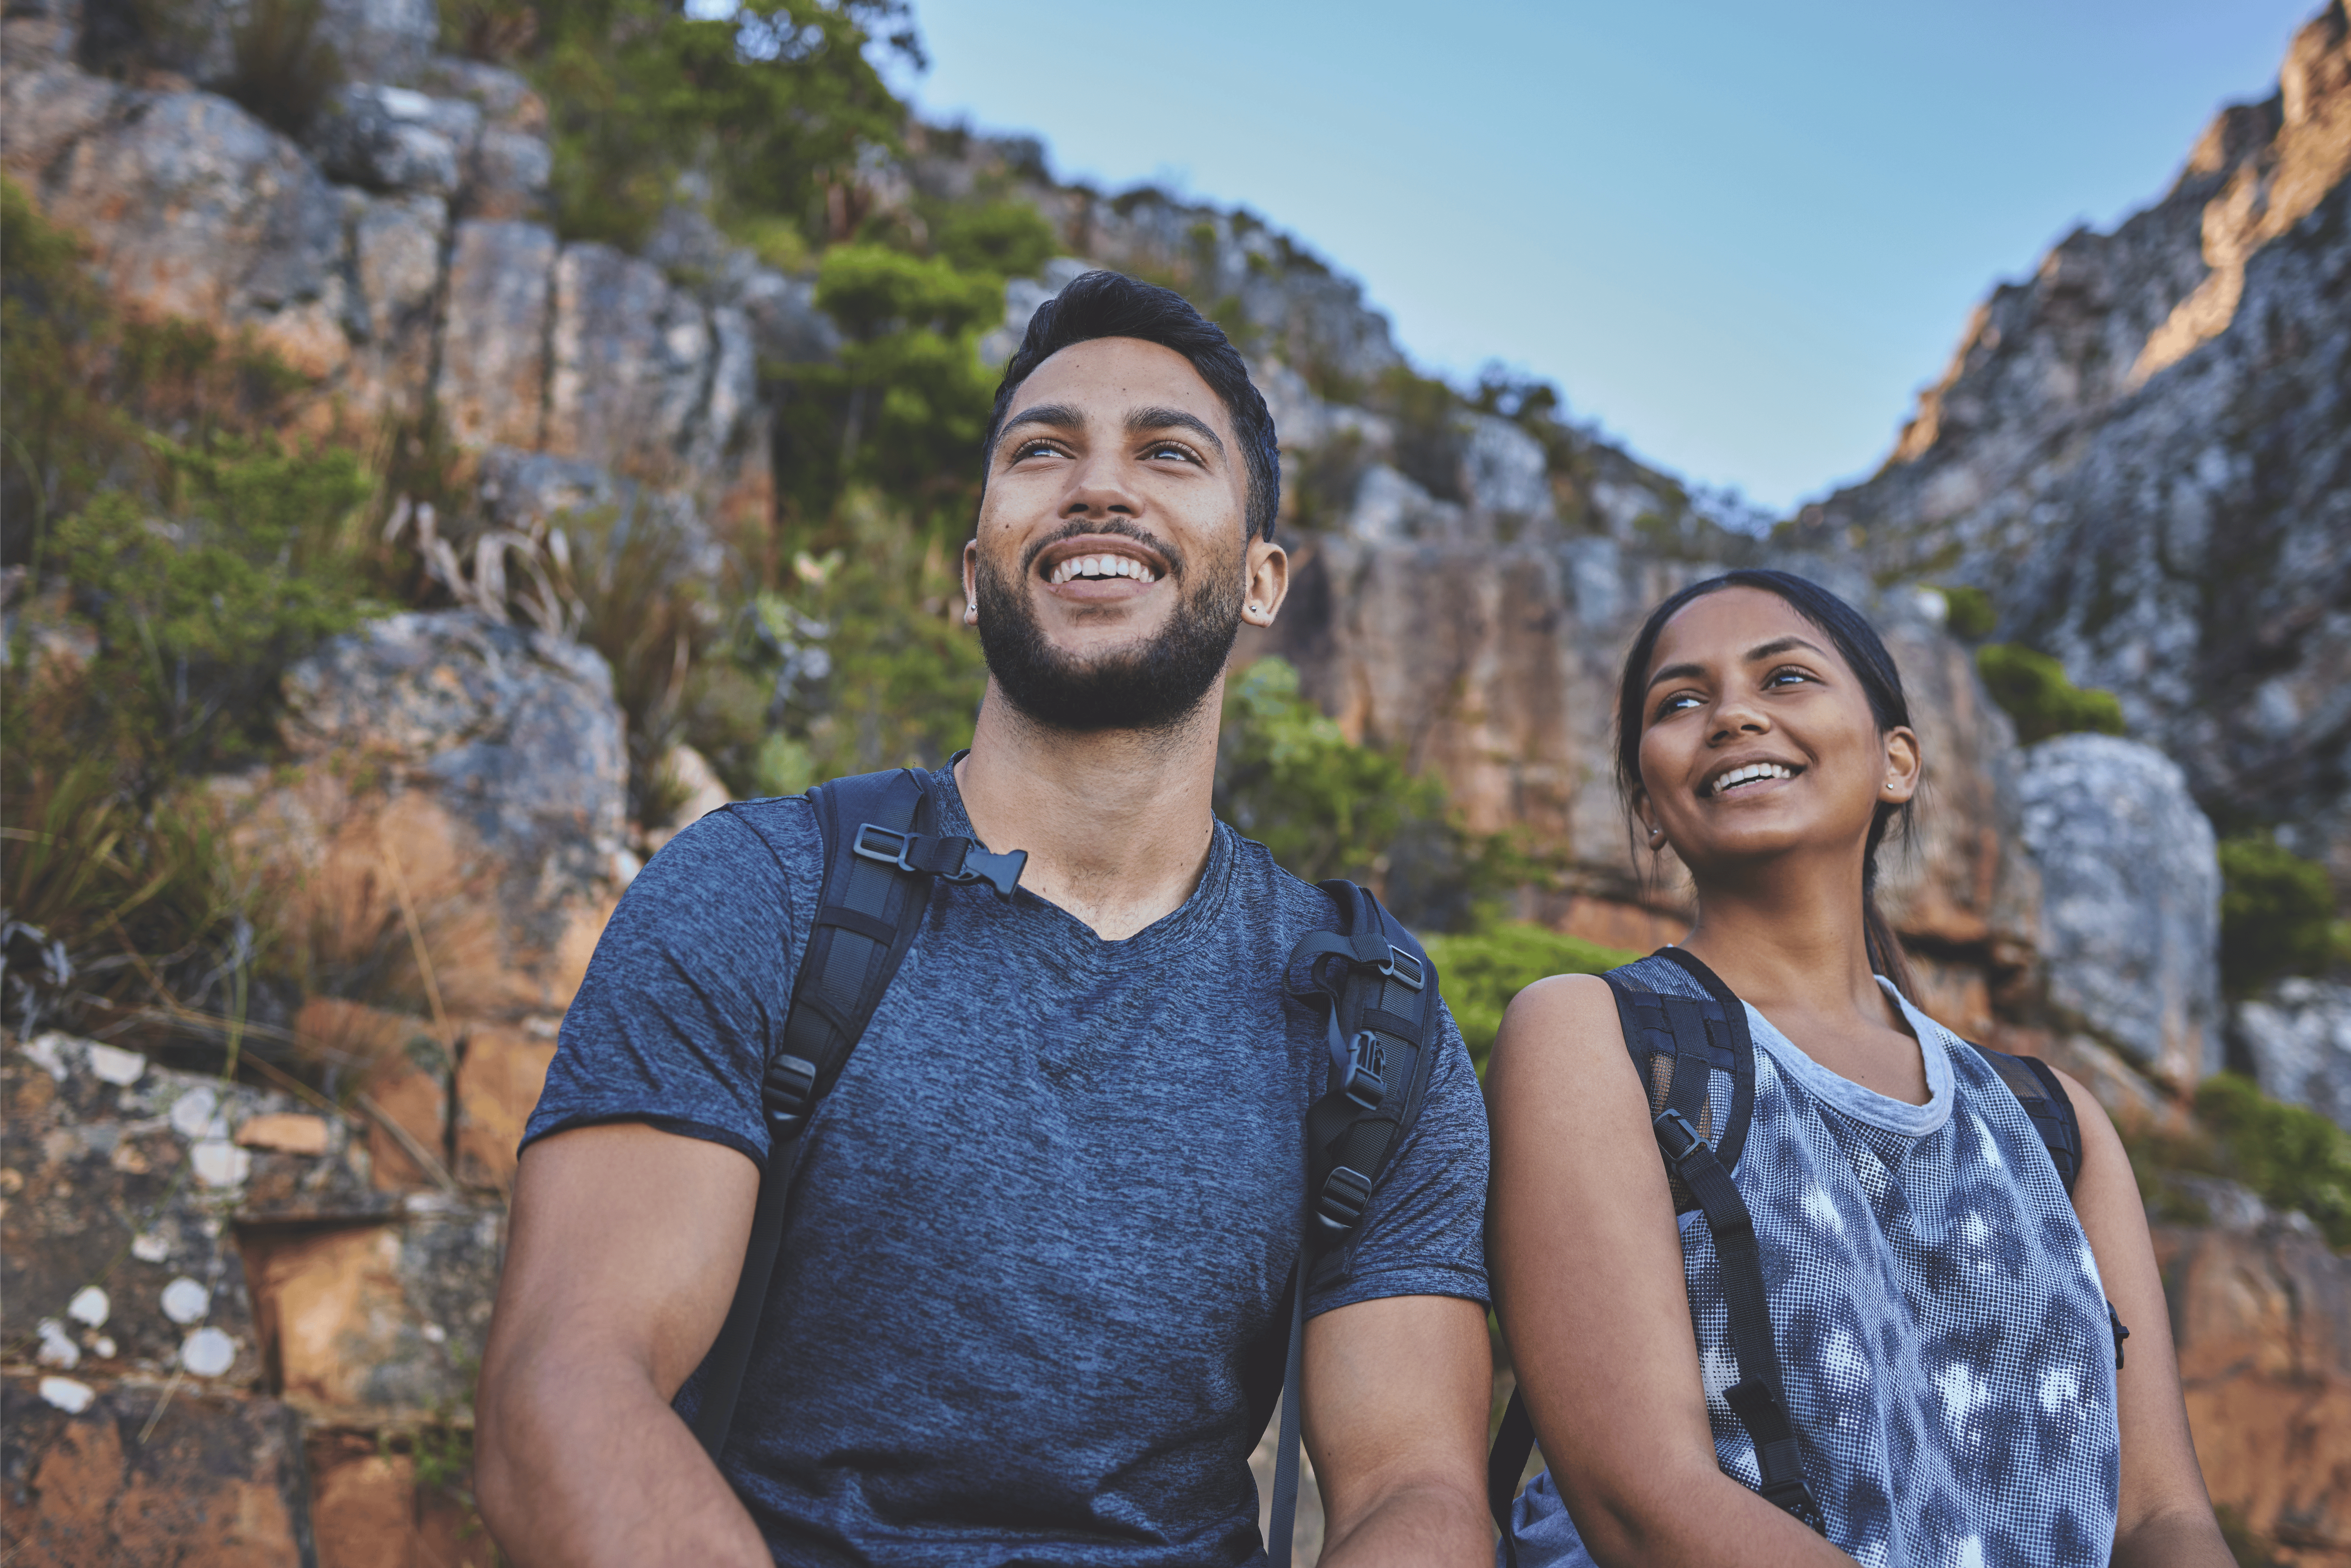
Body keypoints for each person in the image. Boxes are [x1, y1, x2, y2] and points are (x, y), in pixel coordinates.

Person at [474, 269, 1496, 1568]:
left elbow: (1416, 1486)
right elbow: (565, 1382)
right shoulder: (760, 892)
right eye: (1042, 450)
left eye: (1168, 453)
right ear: (973, 574)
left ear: (1261, 579)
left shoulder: (1367, 1015)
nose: (1099, 486)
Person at [1486, 570, 2233, 1567]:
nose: (1733, 715)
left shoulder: (2051, 1121)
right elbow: (1643, 1497)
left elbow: (2160, 1518)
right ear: (1648, 804)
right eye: (1680, 702)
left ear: (1896, 762)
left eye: (1785, 677)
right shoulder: (1598, 1036)